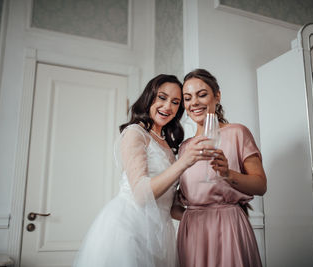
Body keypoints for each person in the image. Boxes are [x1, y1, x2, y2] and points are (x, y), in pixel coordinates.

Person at [74, 74, 214, 267]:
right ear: (149, 97)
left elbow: (170, 207)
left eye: (175, 102)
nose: (168, 107)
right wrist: (184, 162)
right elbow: (141, 193)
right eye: (162, 98)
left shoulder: (168, 144)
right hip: (131, 229)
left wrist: (209, 216)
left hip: (161, 234)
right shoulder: (134, 133)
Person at [171, 69, 267, 267]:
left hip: (229, 228)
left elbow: (260, 185)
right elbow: (176, 203)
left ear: (217, 96)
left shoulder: (238, 132)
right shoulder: (184, 147)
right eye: (187, 98)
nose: (194, 103)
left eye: (202, 94)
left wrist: (227, 174)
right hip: (194, 233)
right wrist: (196, 218)